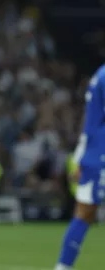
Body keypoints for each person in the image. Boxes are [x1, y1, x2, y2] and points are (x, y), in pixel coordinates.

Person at [55, 64, 105, 270]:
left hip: (95, 151)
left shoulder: (100, 73)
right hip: (99, 151)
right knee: (84, 213)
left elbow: (90, 121)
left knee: (84, 214)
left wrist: (80, 156)